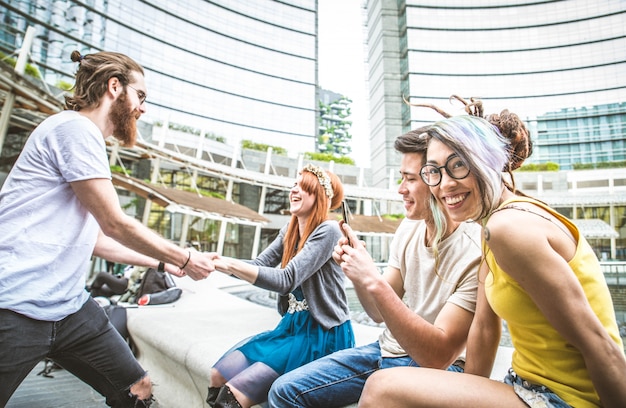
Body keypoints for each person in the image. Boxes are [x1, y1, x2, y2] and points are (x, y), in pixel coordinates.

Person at [359, 101, 626, 408]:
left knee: (381, 388)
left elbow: (600, 344)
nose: (445, 184)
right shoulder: (492, 224)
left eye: (458, 164)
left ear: (488, 160)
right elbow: (485, 329)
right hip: (522, 384)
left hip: (563, 399)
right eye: (433, 171)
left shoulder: (509, 228)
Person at [0, 50, 216, 408]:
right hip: (14, 308)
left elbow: (97, 240)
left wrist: (163, 264)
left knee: (136, 388)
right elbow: (114, 223)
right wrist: (186, 257)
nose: (143, 108)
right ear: (115, 87)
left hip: (69, 310)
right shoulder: (75, 128)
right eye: (141, 96)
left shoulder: (85, 140)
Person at [267, 129, 482, 407]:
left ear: (435, 179)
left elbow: (438, 356)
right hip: (385, 351)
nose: (400, 189)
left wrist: (373, 279)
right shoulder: (409, 227)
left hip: (440, 371)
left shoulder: (473, 250)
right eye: (401, 178)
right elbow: (377, 313)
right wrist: (359, 274)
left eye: (410, 179)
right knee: (284, 391)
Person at [205, 164, 355, 408]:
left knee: (234, 393)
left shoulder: (328, 230)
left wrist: (229, 263)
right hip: (291, 328)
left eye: (303, 187)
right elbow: (258, 264)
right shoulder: (290, 229)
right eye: (294, 185)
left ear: (320, 196)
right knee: (217, 375)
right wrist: (214, 262)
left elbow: (286, 280)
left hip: (322, 334)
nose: (294, 191)